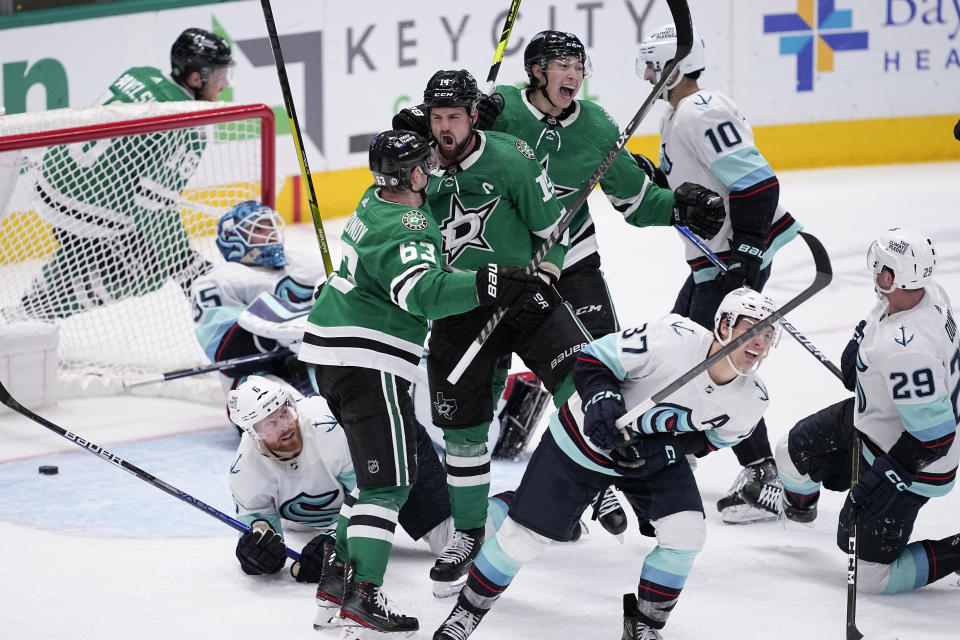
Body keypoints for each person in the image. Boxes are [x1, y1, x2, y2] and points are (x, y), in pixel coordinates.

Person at [296, 129, 540, 635]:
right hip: (367, 360)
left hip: (332, 356)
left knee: (374, 481)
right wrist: (486, 281)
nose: (432, 170)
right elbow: (422, 294)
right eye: (424, 164)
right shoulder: (408, 224)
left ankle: (334, 590)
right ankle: (363, 596)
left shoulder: (371, 201)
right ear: (409, 175)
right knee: (388, 485)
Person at [432, 287, 781, 640]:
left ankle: (644, 625)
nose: (758, 342)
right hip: (581, 440)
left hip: (647, 459)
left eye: (767, 334)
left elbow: (709, 440)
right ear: (723, 324)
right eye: (750, 327)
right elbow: (594, 360)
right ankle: (466, 612)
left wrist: (665, 451)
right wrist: (602, 401)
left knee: (686, 534)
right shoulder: (672, 338)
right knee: (523, 539)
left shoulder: (752, 399)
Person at [416, 68, 603, 597]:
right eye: (436, 117)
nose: (444, 128)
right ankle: (469, 534)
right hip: (458, 307)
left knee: (587, 386)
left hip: (525, 295)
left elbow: (555, 228)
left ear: (474, 116)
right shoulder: (419, 170)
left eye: (453, 116)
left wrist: (547, 273)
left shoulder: (511, 157)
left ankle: (597, 484)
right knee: (464, 431)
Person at [635, 24, 803, 524]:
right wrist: (659, 180)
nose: (646, 75)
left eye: (652, 64)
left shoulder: (700, 109)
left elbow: (757, 185)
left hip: (733, 256)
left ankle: (762, 476)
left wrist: (747, 254)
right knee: (680, 340)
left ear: (675, 63)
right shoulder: (677, 113)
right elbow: (702, 181)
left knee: (712, 358)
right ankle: (687, 442)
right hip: (717, 259)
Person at [742, 228, 960, 596]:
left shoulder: (908, 351)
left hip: (913, 463)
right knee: (790, 451)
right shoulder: (925, 293)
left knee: (870, 578)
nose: (874, 271)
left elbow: (933, 438)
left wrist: (880, 479)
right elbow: (880, 322)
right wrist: (861, 350)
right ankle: (797, 507)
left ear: (891, 276)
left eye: (879, 267)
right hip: (874, 419)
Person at [226, 375, 501, 625]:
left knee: (451, 541)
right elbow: (261, 530)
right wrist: (257, 554)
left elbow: (371, 498)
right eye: (271, 422)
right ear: (253, 434)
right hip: (325, 508)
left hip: (391, 445)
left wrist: (336, 541)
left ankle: (513, 506)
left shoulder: (329, 429)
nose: (285, 425)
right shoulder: (245, 472)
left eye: (284, 412)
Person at [5, 28, 232, 322]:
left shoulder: (139, 74)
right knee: (146, 269)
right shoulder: (189, 124)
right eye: (218, 75)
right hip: (88, 206)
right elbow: (154, 206)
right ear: (194, 77)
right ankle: (38, 311)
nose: (224, 84)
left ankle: (37, 297)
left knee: (88, 250)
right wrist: (182, 262)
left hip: (50, 178)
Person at [191, 200, 322, 395]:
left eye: (270, 226)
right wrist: (276, 338)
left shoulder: (307, 264)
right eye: (258, 229)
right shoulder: (218, 282)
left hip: (316, 365)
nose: (271, 233)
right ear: (233, 239)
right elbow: (224, 354)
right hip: (258, 379)